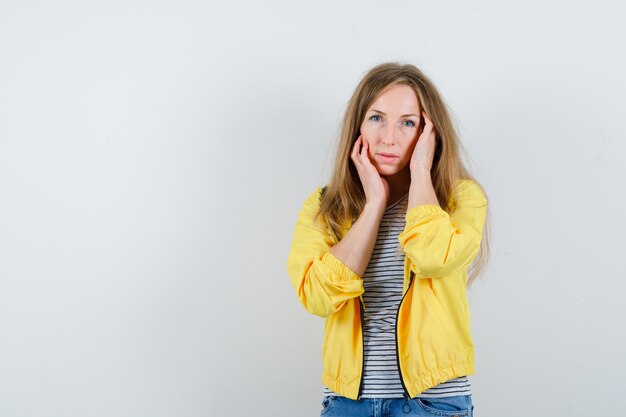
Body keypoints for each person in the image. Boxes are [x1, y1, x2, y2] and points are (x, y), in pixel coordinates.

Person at [286, 62, 490, 417]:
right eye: (377, 118)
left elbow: (432, 256)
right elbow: (317, 297)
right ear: (358, 126)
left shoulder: (461, 198)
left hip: (433, 402)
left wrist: (421, 172)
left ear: (430, 133)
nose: (389, 138)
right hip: (346, 403)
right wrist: (374, 206)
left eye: (408, 123)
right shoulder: (324, 206)